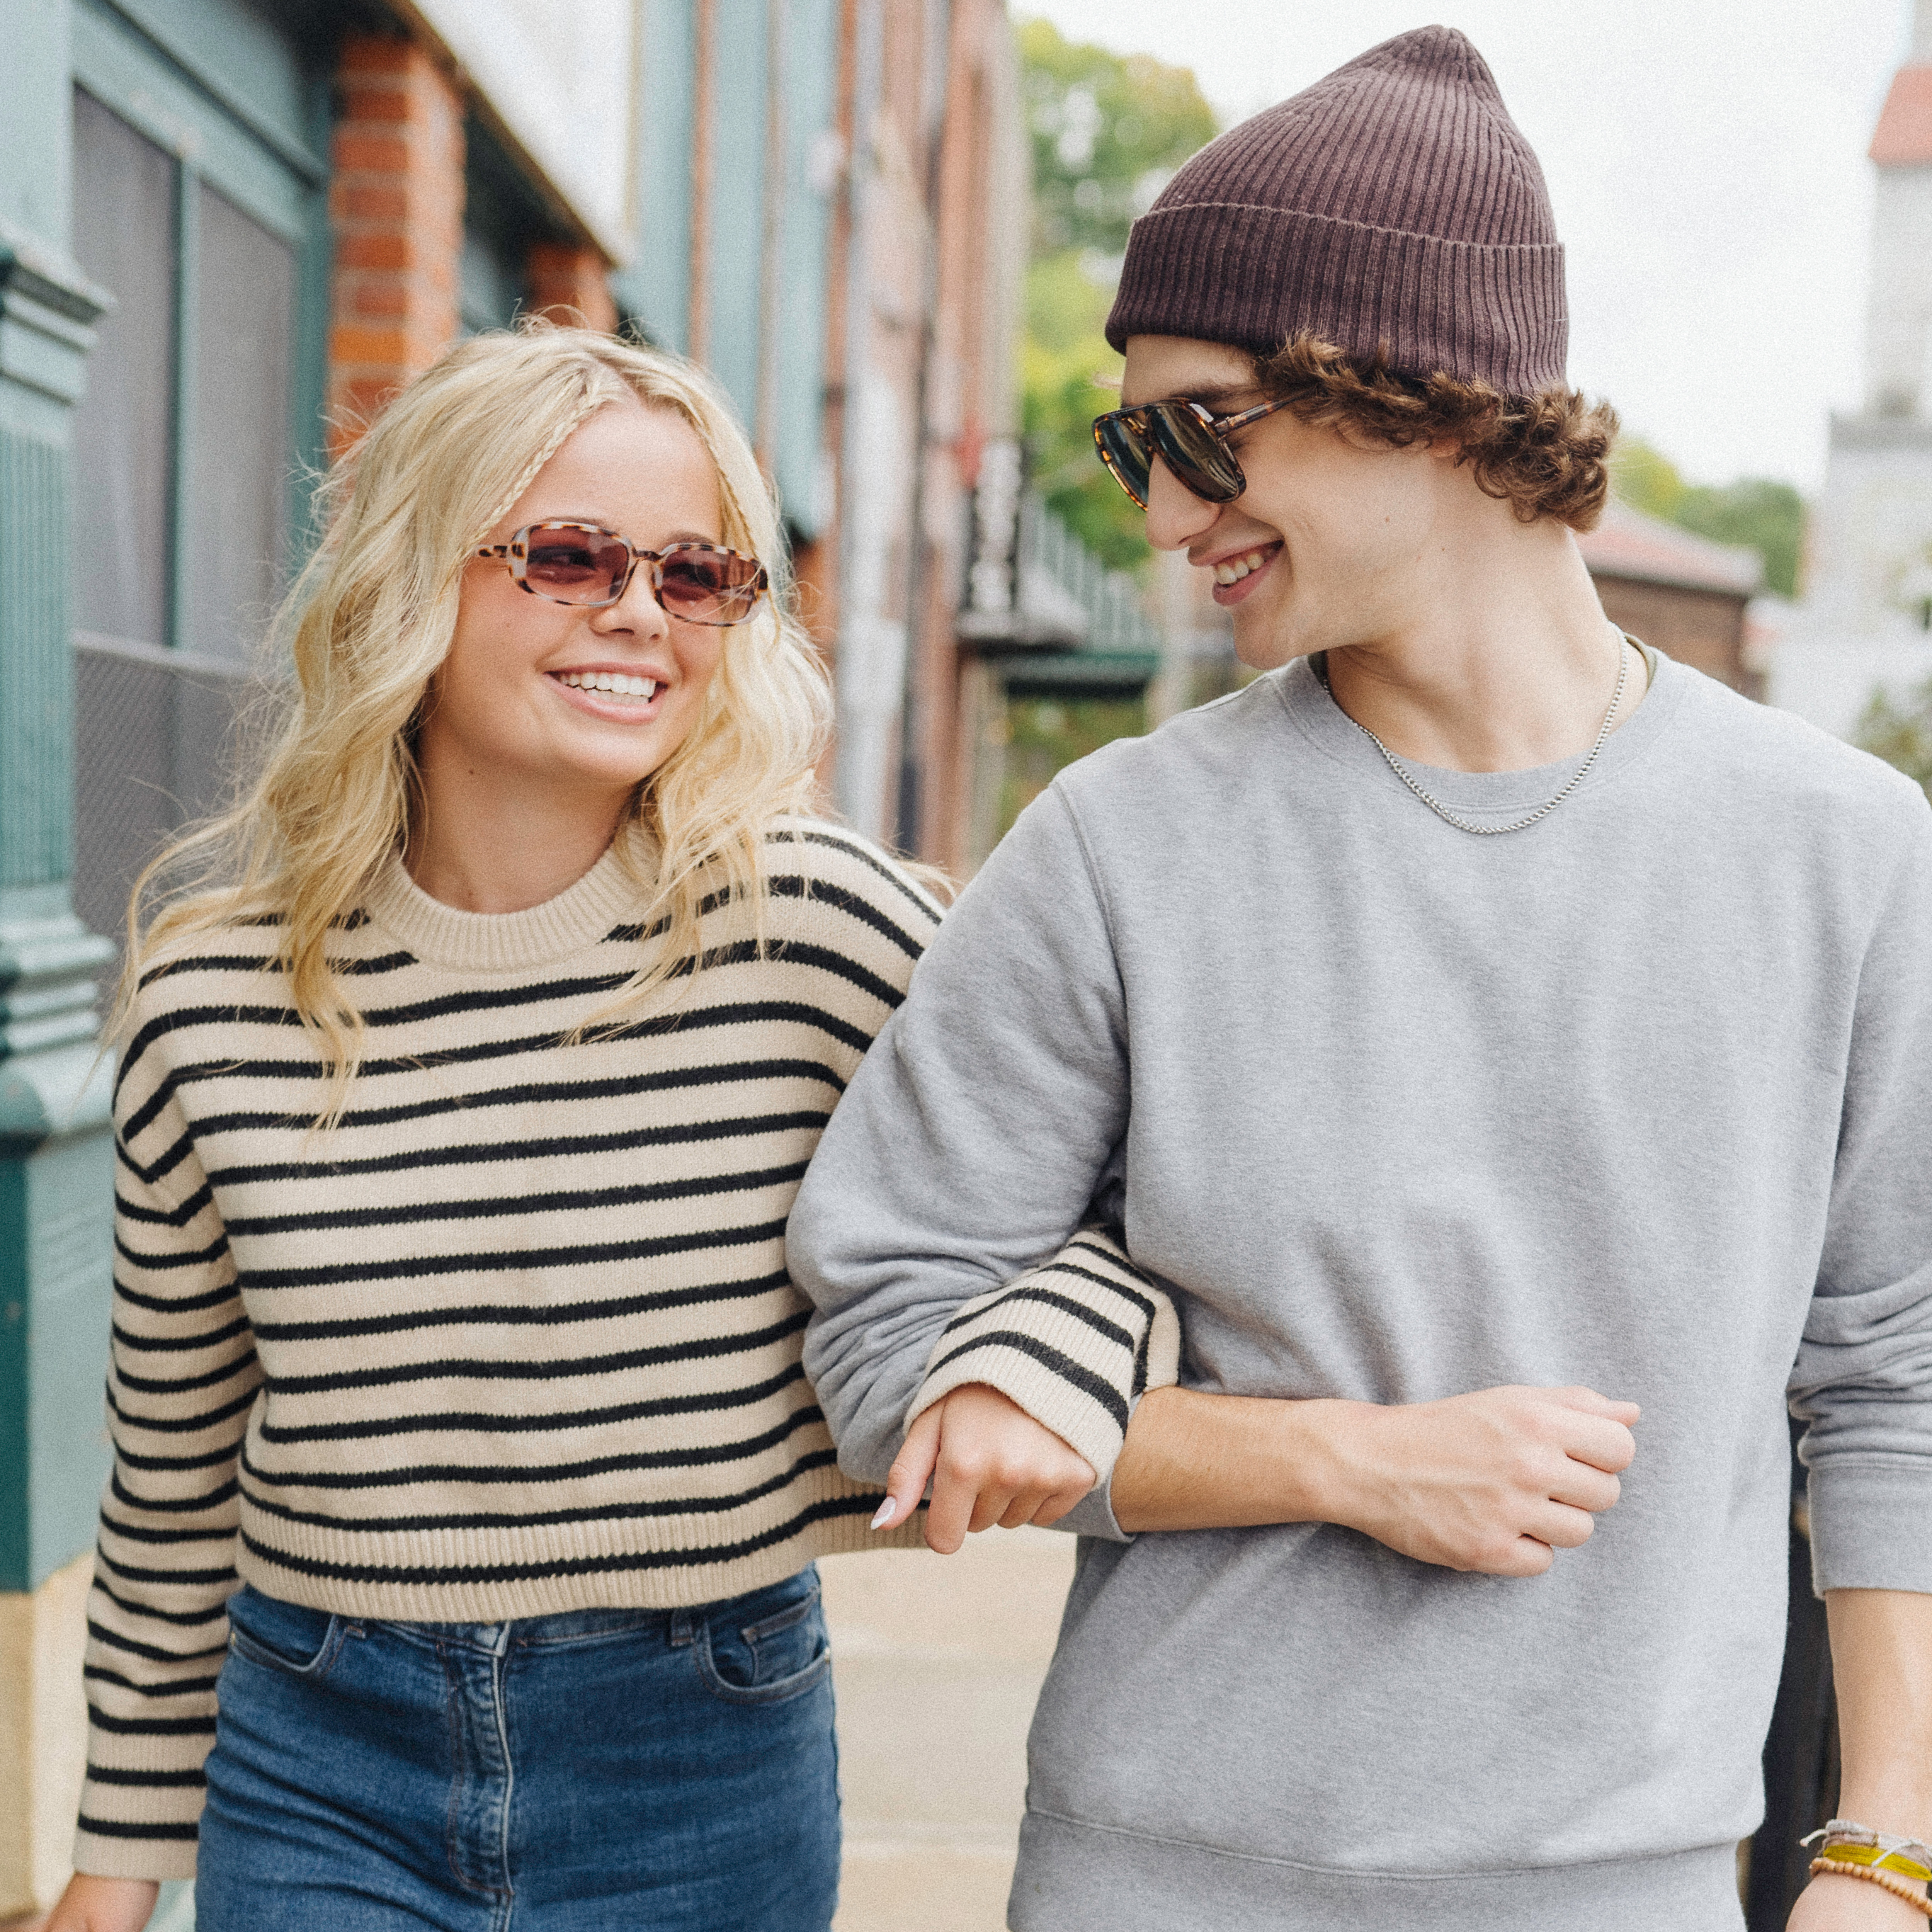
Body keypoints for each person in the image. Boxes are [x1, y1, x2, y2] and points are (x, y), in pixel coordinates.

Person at [790, 27, 1932, 1932]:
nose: (1160, 517)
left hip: (1628, 1890)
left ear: (1419, 387)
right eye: (1128, 447)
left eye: (1196, 431)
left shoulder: (1842, 850)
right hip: (1159, 1881)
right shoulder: (1119, 846)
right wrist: (1347, 1460)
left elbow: (1890, 1366)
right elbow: (885, 1340)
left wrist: (1884, 1845)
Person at [46, 324, 1173, 1932]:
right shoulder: (212, 996)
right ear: (411, 579)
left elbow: (1135, 1183)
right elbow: (169, 1475)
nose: (639, 610)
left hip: (694, 1747)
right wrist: (116, 1852)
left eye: (699, 573)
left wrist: (1032, 1352)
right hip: (313, 1747)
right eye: (568, 554)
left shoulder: (814, 931)